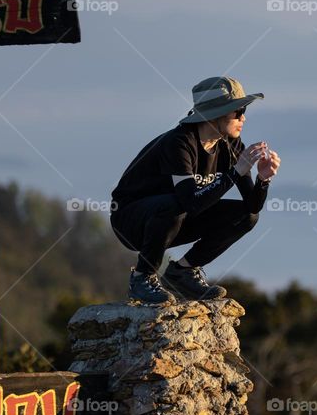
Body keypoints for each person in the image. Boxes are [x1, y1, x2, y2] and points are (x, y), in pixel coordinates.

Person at [110, 76, 281, 304]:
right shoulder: (180, 142)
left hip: (175, 216)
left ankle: (182, 272)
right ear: (217, 114)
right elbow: (190, 202)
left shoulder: (229, 144)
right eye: (238, 112)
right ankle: (143, 277)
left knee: (247, 217)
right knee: (176, 205)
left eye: (244, 111)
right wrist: (235, 172)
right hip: (131, 220)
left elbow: (252, 205)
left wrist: (263, 179)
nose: (243, 118)